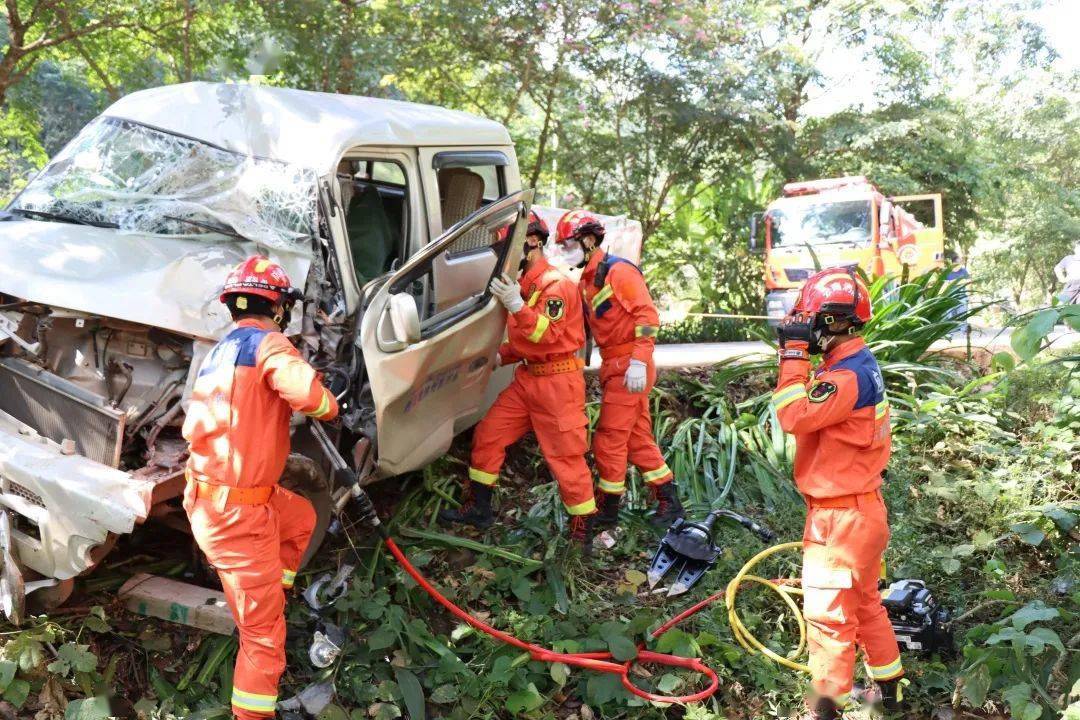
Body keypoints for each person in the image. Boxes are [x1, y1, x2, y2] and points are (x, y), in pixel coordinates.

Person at [182, 255, 339, 720]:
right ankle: (251, 713)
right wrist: (330, 403)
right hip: (237, 516)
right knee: (263, 638)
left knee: (302, 517)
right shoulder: (269, 343)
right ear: (279, 307)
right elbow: (312, 399)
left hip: (223, 500)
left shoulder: (220, 352)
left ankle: (273, 590)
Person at [771, 268, 904, 720]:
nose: (804, 327)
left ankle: (825, 711)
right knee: (866, 606)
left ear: (834, 320)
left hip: (839, 521)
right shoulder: (856, 363)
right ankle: (892, 697)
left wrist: (793, 356)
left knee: (829, 622)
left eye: (809, 319)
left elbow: (792, 416)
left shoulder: (844, 378)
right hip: (863, 512)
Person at [438, 211, 598, 549]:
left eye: (507, 248)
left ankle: (583, 532)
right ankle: (479, 509)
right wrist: (500, 356)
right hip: (529, 380)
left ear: (532, 241)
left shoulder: (555, 284)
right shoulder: (524, 285)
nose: (504, 257)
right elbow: (527, 341)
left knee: (566, 459)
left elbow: (548, 335)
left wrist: (516, 306)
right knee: (488, 434)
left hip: (558, 385)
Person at [555, 209, 683, 530]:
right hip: (614, 365)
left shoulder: (619, 272)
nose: (563, 251)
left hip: (630, 365)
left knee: (609, 440)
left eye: (567, 244)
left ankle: (608, 509)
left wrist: (638, 360)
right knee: (637, 439)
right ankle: (669, 501)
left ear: (588, 240)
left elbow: (647, 317)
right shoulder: (587, 281)